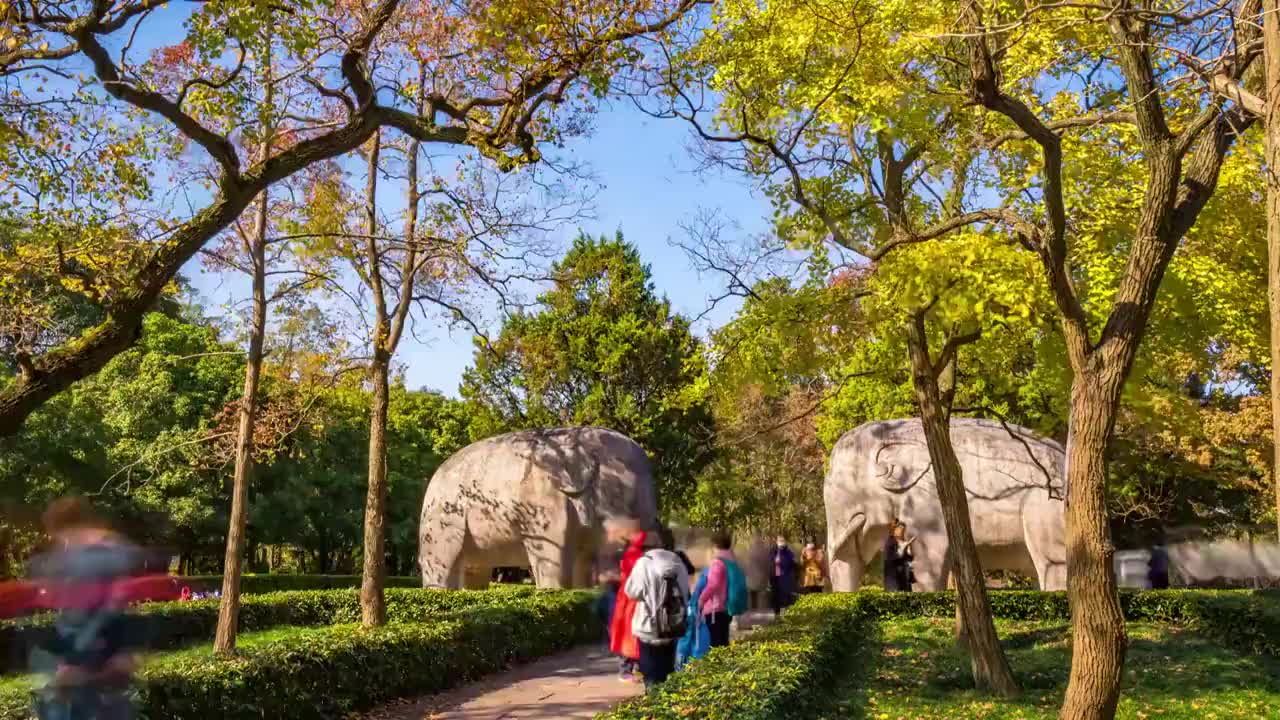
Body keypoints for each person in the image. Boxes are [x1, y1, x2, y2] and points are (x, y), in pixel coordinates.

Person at [26, 497, 148, 720]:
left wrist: (73, 664)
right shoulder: (113, 551)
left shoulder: (90, 560)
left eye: (60, 536)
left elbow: (95, 616)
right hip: (105, 667)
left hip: (91, 668)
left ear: (67, 528)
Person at [623, 529, 690, 690]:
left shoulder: (644, 563)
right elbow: (686, 592)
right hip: (673, 626)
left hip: (648, 627)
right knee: (667, 671)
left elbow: (631, 592)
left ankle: (653, 708)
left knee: (650, 673)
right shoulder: (678, 562)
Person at [607, 518, 645, 683]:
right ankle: (626, 669)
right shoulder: (636, 555)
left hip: (629, 598)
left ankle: (630, 668)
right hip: (631, 599)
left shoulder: (632, 554)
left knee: (629, 633)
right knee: (630, 633)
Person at [698, 532, 745, 648]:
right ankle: (725, 664)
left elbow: (713, 585)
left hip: (715, 609)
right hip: (726, 608)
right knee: (723, 641)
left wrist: (701, 600)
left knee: (716, 644)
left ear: (715, 545)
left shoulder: (718, 563)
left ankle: (720, 665)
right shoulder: (731, 560)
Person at [883, 519, 915, 592]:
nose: (902, 531)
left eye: (903, 529)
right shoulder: (890, 542)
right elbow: (891, 558)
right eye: (900, 529)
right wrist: (903, 548)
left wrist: (909, 549)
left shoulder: (903, 542)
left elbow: (909, 559)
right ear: (894, 530)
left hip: (905, 579)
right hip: (894, 580)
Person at [768, 536, 797, 618]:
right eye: (780, 541)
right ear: (776, 542)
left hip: (784, 577)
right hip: (774, 577)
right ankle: (776, 614)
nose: (781, 542)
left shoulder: (788, 552)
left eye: (782, 541)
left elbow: (791, 563)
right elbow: (769, 563)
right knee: (775, 595)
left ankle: (784, 613)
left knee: (784, 595)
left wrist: (782, 562)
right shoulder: (773, 551)